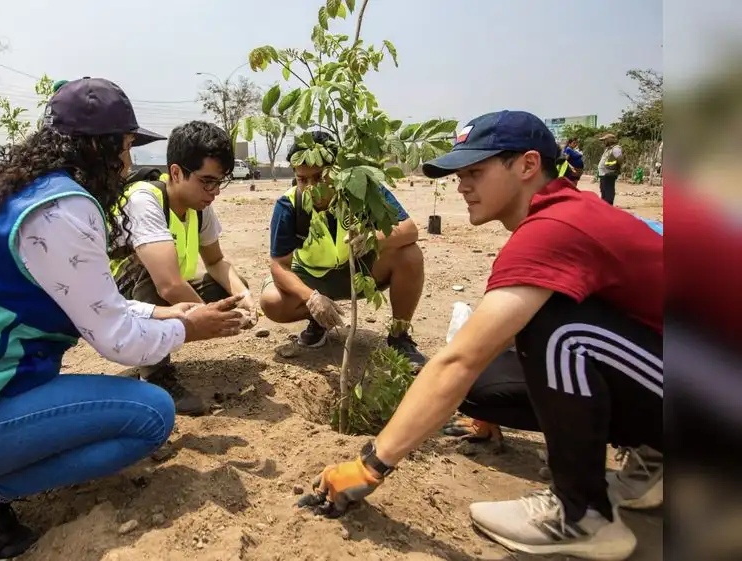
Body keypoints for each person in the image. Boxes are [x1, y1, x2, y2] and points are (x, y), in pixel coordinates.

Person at [0, 78, 245, 561]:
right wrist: (188, 327)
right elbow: (117, 340)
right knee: (151, 415)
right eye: (125, 148)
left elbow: (91, 303)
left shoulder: (23, 192)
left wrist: (161, 312)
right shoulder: (64, 210)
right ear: (98, 147)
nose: (128, 164)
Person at [306, 111, 662, 561]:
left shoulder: (554, 229)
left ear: (528, 165)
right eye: (459, 174)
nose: (461, 185)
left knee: (559, 331)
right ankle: (655, 461)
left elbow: (459, 360)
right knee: (488, 385)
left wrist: (371, 464)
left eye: (476, 171)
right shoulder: (565, 214)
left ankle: (581, 516)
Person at [110, 120, 254, 416]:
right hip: (117, 302)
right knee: (156, 278)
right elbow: (168, 285)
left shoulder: (200, 208)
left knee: (229, 287)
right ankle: (155, 375)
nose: (214, 191)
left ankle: (159, 354)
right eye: (207, 181)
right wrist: (211, 319)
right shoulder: (144, 200)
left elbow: (215, 262)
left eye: (219, 181)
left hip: (162, 293)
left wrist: (243, 297)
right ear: (176, 172)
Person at [259, 131, 427, 365]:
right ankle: (319, 320)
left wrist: (373, 239)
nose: (310, 187)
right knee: (271, 302)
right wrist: (311, 298)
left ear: (336, 170)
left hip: (359, 271)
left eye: (318, 178)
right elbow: (279, 266)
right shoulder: (289, 205)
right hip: (314, 279)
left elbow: (409, 229)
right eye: (302, 179)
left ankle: (399, 337)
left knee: (410, 255)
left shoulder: (362, 188)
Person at [597, 133, 623, 205]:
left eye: (605, 140)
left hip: (609, 173)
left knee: (608, 191)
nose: (604, 142)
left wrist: (616, 167)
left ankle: (609, 207)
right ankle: (605, 206)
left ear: (609, 140)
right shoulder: (608, 149)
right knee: (603, 191)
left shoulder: (616, 148)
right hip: (604, 174)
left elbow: (620, 159)